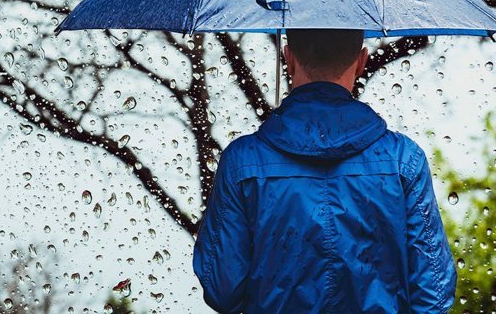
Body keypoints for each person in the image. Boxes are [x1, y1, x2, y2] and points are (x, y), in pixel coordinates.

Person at [192, 29, 457, 313]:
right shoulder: (403, 160)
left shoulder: (242, 163)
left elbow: (222, 290)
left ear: (288, 58)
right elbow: (434, 294)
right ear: (361, 61)